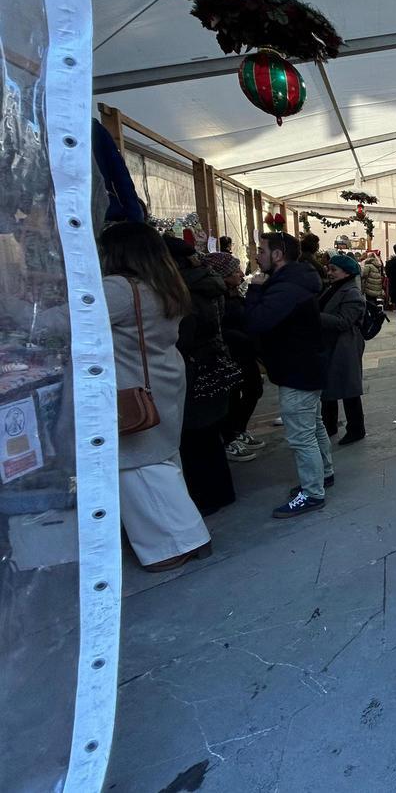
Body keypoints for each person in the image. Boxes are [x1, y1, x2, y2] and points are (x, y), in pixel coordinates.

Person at [100, 222, 211, 570]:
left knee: (139, 468)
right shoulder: (164, 283)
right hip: (162, 379)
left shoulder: (118, 289)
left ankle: (178, 542)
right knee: (161, 459)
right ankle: (187, 536)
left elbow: (58, 321)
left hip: (132, 388)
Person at [244, 232, 332, 518]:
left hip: (298, 369)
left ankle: (312, 493)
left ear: (278, 255)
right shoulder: (296, 280)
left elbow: (258, 321)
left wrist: (255, 290)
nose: (257, 255)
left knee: (301, 436)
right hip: (306, 365)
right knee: (314, 426)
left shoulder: (287, 286)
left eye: (261, 250)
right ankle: (324, 474)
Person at [166, 237, 238, 517]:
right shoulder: (209, 284)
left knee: (195, 436)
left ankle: (206, 496)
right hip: (213, 362)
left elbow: (183, 336)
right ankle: (220, 491)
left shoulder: (183, 290)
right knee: (207, 434)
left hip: (195, 366)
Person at [204, 251, 265, 462]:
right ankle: (229, 438)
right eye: (234, 270)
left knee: (253, 390)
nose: (240, 273)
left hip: (243, 352)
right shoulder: (216, 297)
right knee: (233, 396)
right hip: (230, 354)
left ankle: (237, 430)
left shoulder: (231, 293)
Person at [320, 254, 368, 445]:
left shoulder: (352, 293)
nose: (329, 273)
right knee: (329, 385)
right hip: (330, 342)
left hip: (345, 344)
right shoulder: (333, 288)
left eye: (334, 270)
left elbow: (344, 321)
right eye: (329, 269)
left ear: (346, 272)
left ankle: (356, 428)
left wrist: (316, 316)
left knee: (348, 387)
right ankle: (329, 424)